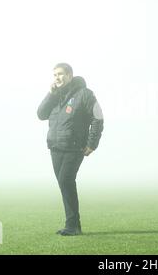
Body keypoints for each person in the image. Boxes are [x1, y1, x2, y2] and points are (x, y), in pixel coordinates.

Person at [37, 63, 104, 236]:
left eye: (60, 74)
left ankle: (73, 225)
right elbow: (41, 114)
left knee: (66, 181)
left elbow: (98, 117)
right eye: (54, 75)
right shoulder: (55, 96)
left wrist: (92, 143)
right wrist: (50, 94)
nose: (57, 78)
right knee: (64, 184)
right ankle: (73, 225)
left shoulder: (85, 94)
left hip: (74, 147)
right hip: (55, 147)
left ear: (70, 75)